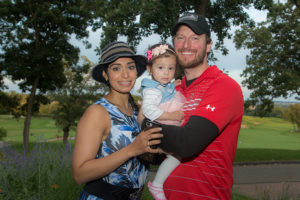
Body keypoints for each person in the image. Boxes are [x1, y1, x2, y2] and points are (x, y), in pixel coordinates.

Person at [148, 13, 244, 199]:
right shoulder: (174, 91)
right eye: (180, 38)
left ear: (208, 45)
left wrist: (146, 124)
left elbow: (186, 144)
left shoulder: (223, 86)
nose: (186, 45)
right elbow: (157, 153)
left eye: (194, 38)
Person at [72, 41, 163, 200]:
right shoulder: (97, 113)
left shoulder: (139, 111)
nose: (125, 74)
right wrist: (132, 150)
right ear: (105, 75)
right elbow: (80, 174)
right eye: (116, 68)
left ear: (136, 72)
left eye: (130, 67)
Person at [138, 43, 185, 200]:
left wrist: (173, 85)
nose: (166, 73)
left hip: (166, 126)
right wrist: (171, 116)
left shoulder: (162, 86)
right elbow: (148, 111)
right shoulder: (151, 89)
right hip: (161, 127)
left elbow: (164, 92)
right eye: (160, 68)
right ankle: (157, 184)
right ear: (150, 69)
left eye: (170, 68)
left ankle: (159, 183)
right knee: (176, 156)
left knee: (176, 156)